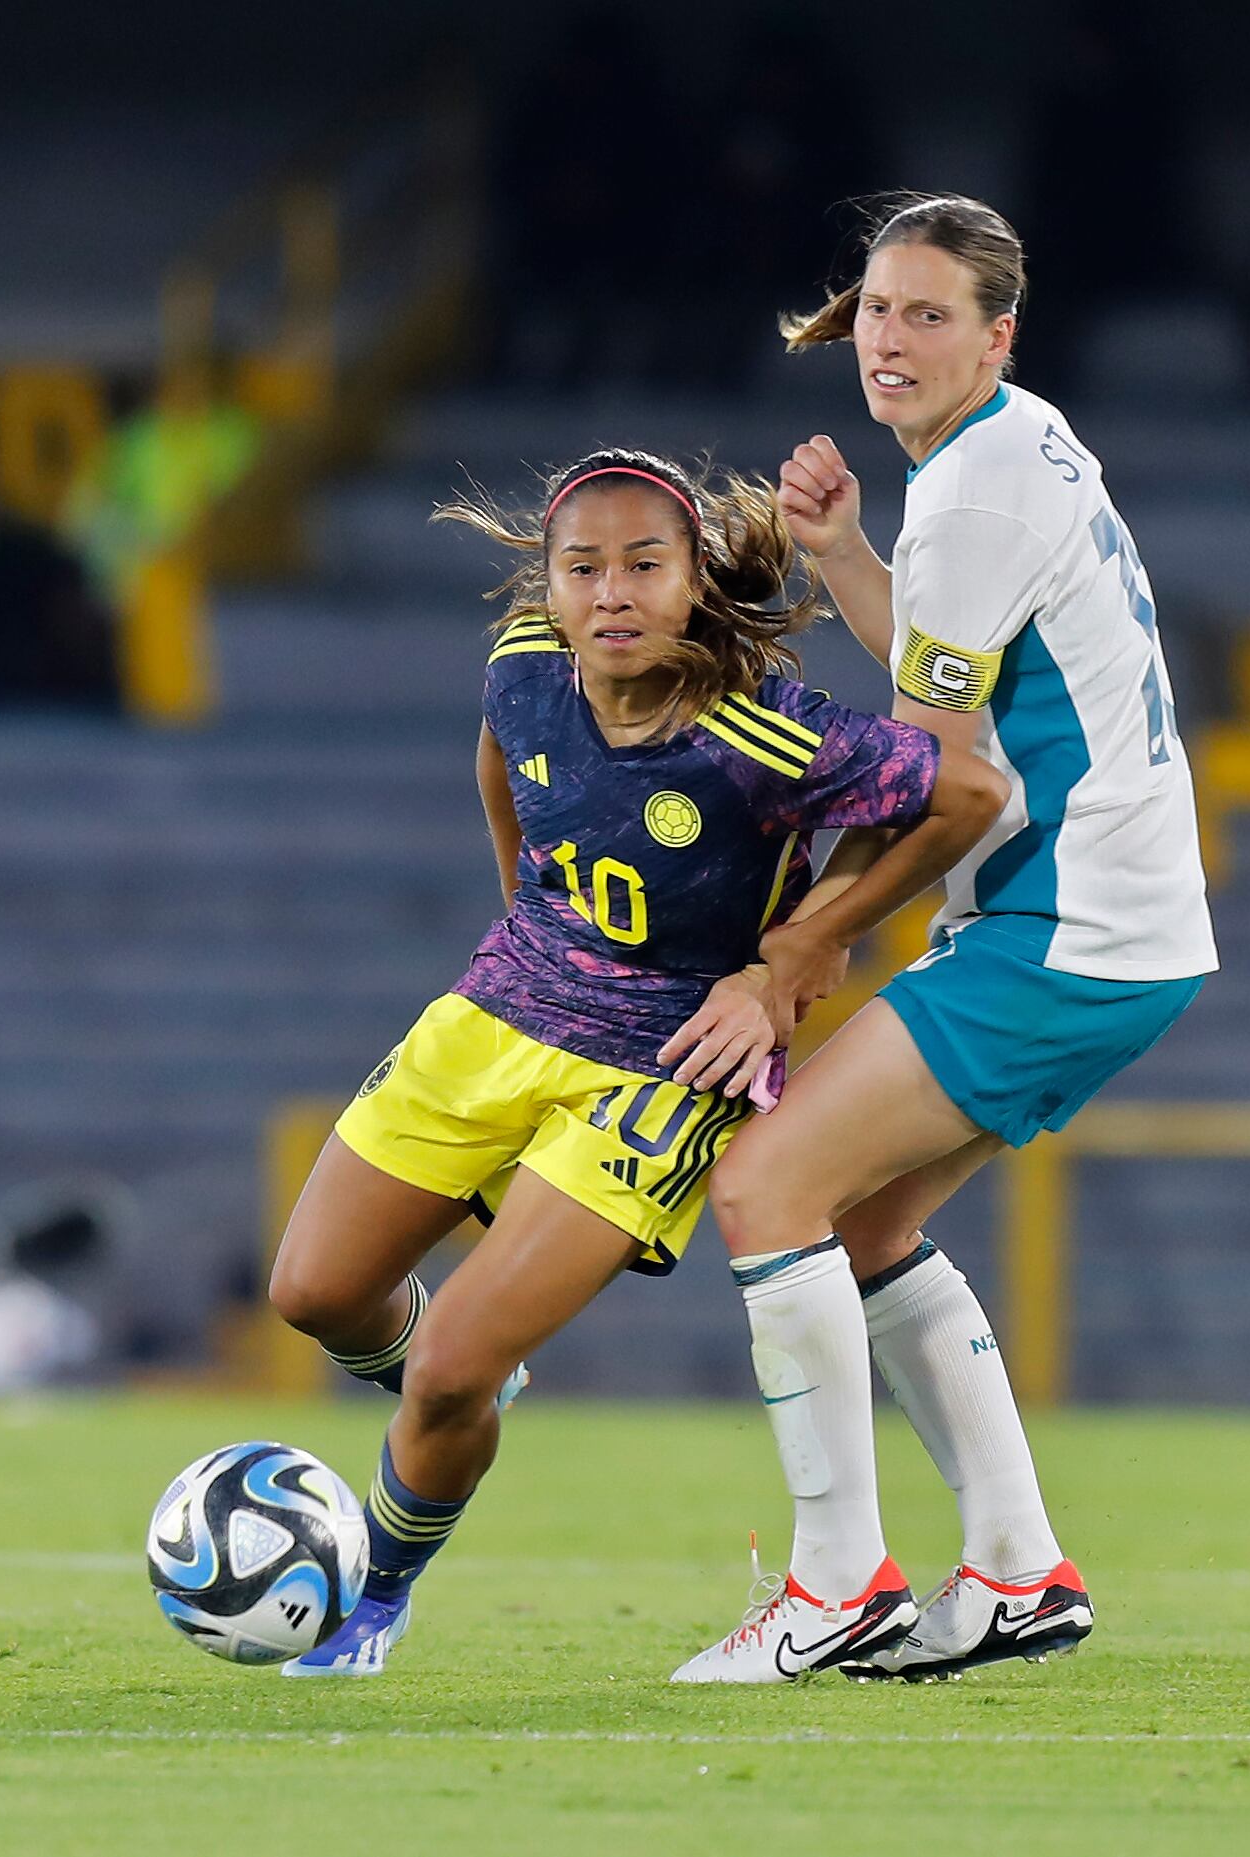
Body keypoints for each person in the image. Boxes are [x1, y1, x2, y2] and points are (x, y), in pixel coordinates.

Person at [265, 448, 1006, 1678]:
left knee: (446, 1371)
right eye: (584, 569)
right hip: (496, 1017)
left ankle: (372, 1598)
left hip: (659, 1068)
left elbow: (969, 791)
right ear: (547, 589)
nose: (611, 593)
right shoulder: (520, 666)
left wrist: (797, 951)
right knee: (310, 1295)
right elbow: (500, 765)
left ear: (694, 585)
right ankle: (461, 1404)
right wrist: (519, 909)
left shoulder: (759, 730)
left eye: (644, 567)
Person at [669, 196, 1219, 1685]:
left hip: (1065, 924)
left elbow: (935, 779)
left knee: (765, 1182)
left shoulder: (977, 485)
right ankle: (1020, 1570)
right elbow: (948, 658)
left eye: (926, 314)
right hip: (1118, 925)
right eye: (876, 313)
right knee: (859, 1221)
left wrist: (804, 944)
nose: (890, 340)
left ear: (998, 333)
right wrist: (846, 553)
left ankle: (837, 1588)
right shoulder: (1008, 449)